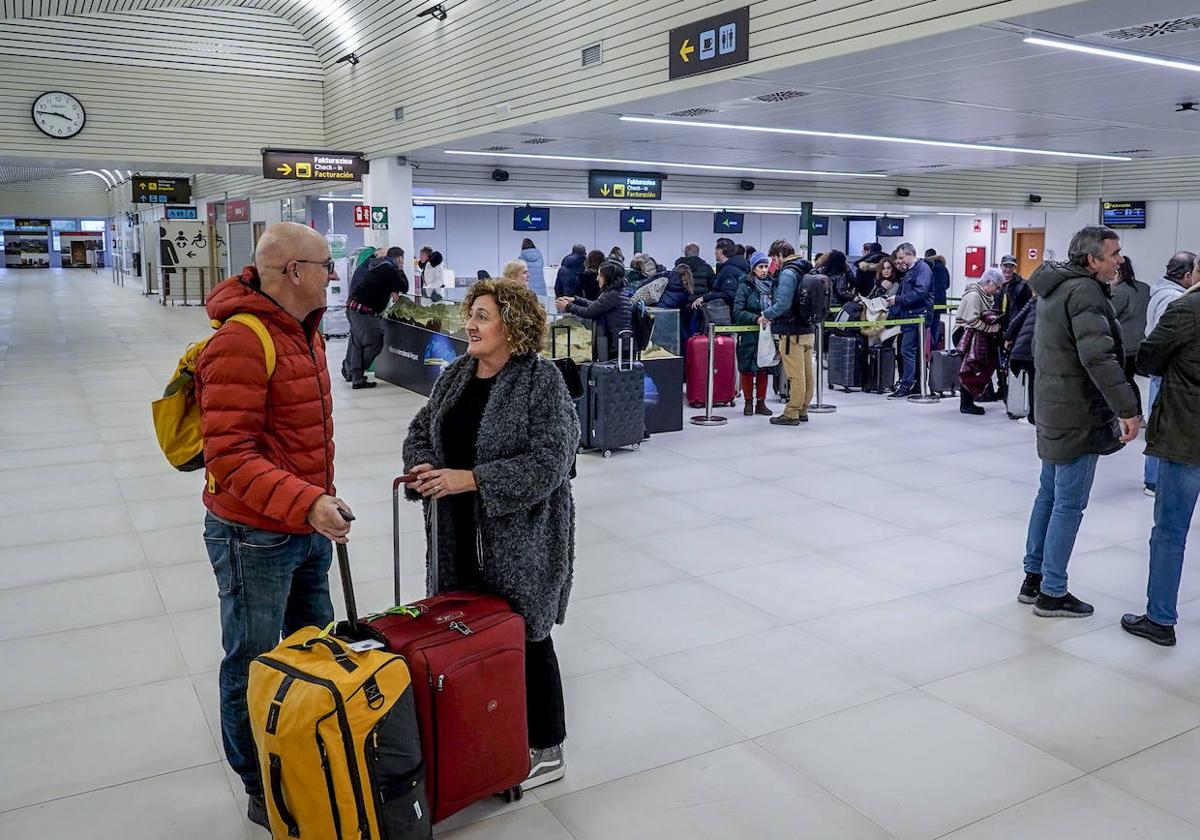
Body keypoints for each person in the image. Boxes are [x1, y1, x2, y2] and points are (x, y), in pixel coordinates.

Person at [195, 222, 353, 830]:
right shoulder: (241, 341)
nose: (332, 274)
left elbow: (295, 437)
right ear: (293, 272)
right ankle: (258, 780)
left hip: (304, 522)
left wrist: (317, 501)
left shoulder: (304, 332)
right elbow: (229, 457)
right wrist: (305, 501)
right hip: (253, 536)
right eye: (324, 263)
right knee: (253, 660)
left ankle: (306, 745)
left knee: (316, 645)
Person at [402, 278, 579, 790]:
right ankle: (485, 727)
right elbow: (420, 429)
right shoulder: (457, 374)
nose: (470, 324)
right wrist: (421, 466)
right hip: (457, 530)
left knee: (526, 634)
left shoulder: (540, 381)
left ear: (513, 325)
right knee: (466, 630)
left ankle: (547, 747)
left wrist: (474, 479)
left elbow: (551, 462)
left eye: (482, 315)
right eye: (470, 314)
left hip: (522, 537)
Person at [1019, 225, 1140, 618]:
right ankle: (1053, 592)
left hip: (1054, 407)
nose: (1120, 260)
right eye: (1114, 254)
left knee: (1048, 496)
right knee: (1068, 503)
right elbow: (1098, 358)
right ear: (1092, 260)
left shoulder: (1055, 287)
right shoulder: (1085, 291)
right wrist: (1127, 408)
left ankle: (1033, 578)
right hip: (1078, 413)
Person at [1124, 282, 1200, 646]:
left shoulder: (1187, 309)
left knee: (1170, 530)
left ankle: (1160, 618)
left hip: (1186, 432)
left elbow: (1148, 358)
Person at [1143, 251, 1196, 496]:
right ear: (1186, 275)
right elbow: (1162, 342)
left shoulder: (1162, 294)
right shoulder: (1176, 301)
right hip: (1169, 373)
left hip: (1167, 372)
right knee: (1163, 427)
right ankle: (1154, 481)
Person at [759, 239, 816, 426]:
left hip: (792, 331)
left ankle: (791, 412)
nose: (773, 263)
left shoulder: (788, 273)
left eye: (774, 258)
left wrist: (766, 314)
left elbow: (783, 304)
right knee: (807, 373)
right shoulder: (805, 268)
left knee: (795, 374)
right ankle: (803, 409)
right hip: (808, 329)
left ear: (780, 256)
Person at [343, 245, 409, 389]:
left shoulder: (377, 266)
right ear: (398, 258)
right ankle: (356, 371)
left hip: (353, 307)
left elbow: (386, 283)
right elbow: (405, 286)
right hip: (364, 311)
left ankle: (356, 378)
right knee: (375, 342)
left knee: (358, 344)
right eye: (402, 260)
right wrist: (400, 269)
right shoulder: (390, 268)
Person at [556, 263, 633, 360]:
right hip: (619, 342)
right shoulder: (615, 292)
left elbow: (589, 312)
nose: (597, 279)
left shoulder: (612, 295)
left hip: (618, 344)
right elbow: (596, 305)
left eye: (600, 275)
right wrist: (575, 300)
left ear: (607, 278)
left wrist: (567, 306)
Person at [886, 243, 934, 399]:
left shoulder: (922, 269)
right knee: (912, 351)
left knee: (907, 351)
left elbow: (920, 291)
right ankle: (915, 384)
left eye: (901, 257)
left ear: (909, 254)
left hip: (917, 316)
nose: (900, 261)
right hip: (910, 315)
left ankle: (907, 385)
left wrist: (898, 299)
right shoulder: (912, 270)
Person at [955, 267, 1004, 415]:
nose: (996, 291)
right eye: (996, 287)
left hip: (973, 334)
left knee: (972, 368)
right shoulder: (974, 296)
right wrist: (991, 329)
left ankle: (970, 401)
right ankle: (966, 404)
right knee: (968, 368)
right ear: (989, 282)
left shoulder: (981, 294)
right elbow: (972, 319)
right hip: (965, 335)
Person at [734, 251, 777, 416]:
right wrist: (756, 318)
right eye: (761, 266)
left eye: (766, 266)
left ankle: (761, 402)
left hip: (766, 335)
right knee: (747, 369)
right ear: (753, 269)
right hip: (749, 335)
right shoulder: (745, 287)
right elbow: (737, 311)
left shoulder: (773, 286)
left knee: (763, 368)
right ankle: (748, 402)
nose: (764, 270)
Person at [1110, 256, 1151, 416]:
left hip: (1123, 346)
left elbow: (1108, 317)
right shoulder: (1144, 288)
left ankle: (1133, 413)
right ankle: (1137, 413)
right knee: (1130, 379)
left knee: (1123, 381)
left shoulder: (1118, 292)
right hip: (1141, 343)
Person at [694, 238, 749, 317]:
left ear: (720, 251)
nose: (714, 253)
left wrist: (705, 297)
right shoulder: (735, 268)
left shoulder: (728, 271)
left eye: (715, 250)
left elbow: (729, 294)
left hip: (729, 315)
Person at [1005, 293, 1038, 424]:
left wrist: (1008, 337)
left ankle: (1033, 417)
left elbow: (1018, 319)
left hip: (1027, 347)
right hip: (1043, 348)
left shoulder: (1036, 299)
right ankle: (1036, 417)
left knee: (1033, 382)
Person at [926, 249, 951, 348]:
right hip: (940, 301)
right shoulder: (944, 268)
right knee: (935, 326)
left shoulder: (928, 267)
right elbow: (947, 284)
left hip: (929, 301)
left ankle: (926, 349)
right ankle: (933, 348)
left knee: (926, 326)